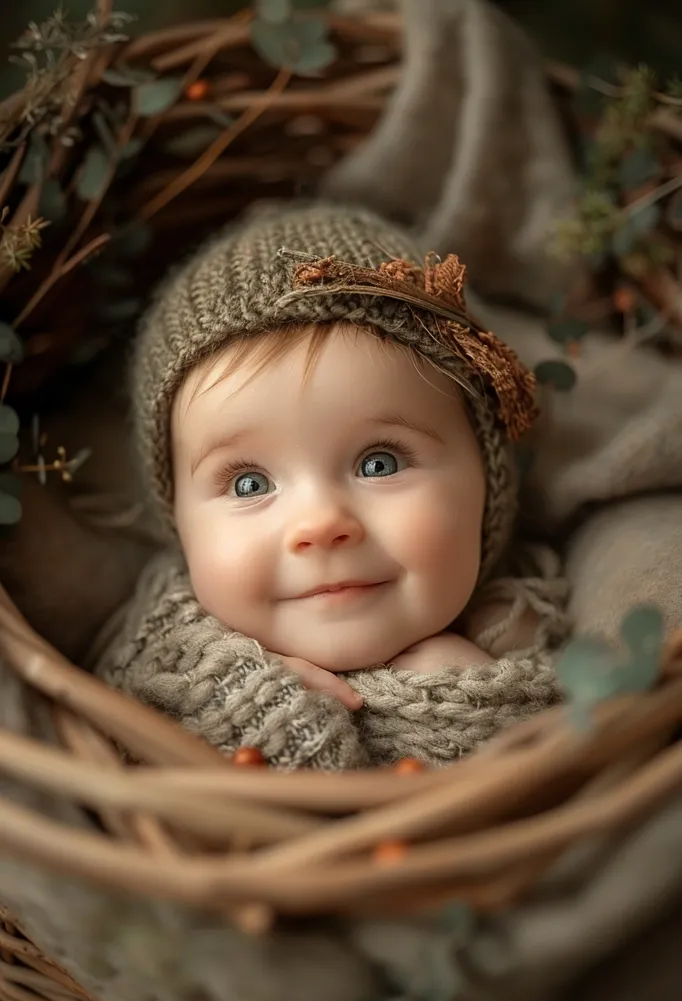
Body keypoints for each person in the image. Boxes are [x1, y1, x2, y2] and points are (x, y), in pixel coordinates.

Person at [93, 201, 569, 769]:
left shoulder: (532, 628)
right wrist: (237, 701)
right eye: (248, 484)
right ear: (180, 525)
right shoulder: (157, 655)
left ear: (488, 484)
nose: (319, 525)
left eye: (379, 464)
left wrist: (472, 709)